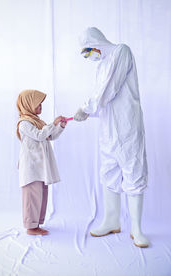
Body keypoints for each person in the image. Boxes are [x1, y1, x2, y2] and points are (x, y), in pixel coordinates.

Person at [74, 27, 149, 248]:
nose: (89, 57)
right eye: (84, 54)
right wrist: (88, 111)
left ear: (96, 43)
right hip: (108, 129)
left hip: (127, 127)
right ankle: (111, 221)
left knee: (133, 172)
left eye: (88, 52)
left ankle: (136, 229)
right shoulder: (101, 65)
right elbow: (101, 96)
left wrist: (85, 108)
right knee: (109, 173)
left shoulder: (121, 52)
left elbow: (109, 89)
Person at [16, 89, 67, 235]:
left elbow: (49, 136)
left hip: (40, 166)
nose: (40, 107)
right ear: (28, 104)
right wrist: (53, 123)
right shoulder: (24, 124)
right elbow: (39, 135)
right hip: (31, 167)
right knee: (32, 196)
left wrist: (60, 127)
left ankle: (36, 223)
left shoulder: (37, 122)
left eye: (41, 105)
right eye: (37, 104)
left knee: (41, 194)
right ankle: (31, 226)